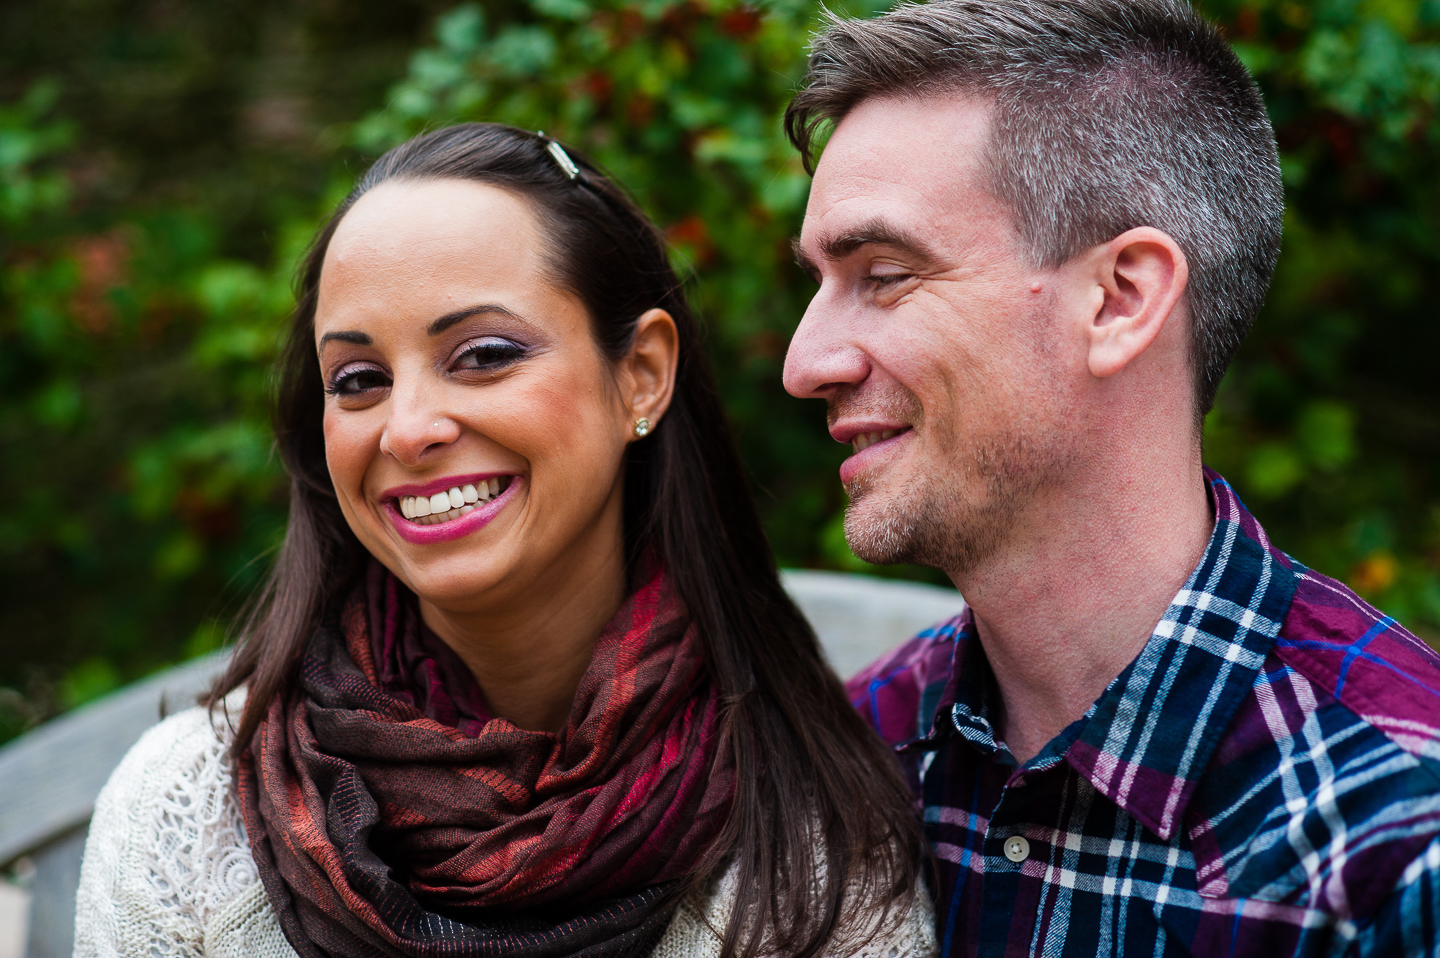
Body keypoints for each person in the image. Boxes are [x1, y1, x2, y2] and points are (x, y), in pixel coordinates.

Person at [73, 124, 936, 958]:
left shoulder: (810, 840)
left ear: (640, 374)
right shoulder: (188, 812)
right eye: (360, 379)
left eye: (482, 354)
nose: (407, 429)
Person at [780, 1, 1440, 955]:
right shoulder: (850, 761)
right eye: (816, 283)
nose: (806, 363)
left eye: (884, 275)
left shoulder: (1394, 841)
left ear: (1121, 300)